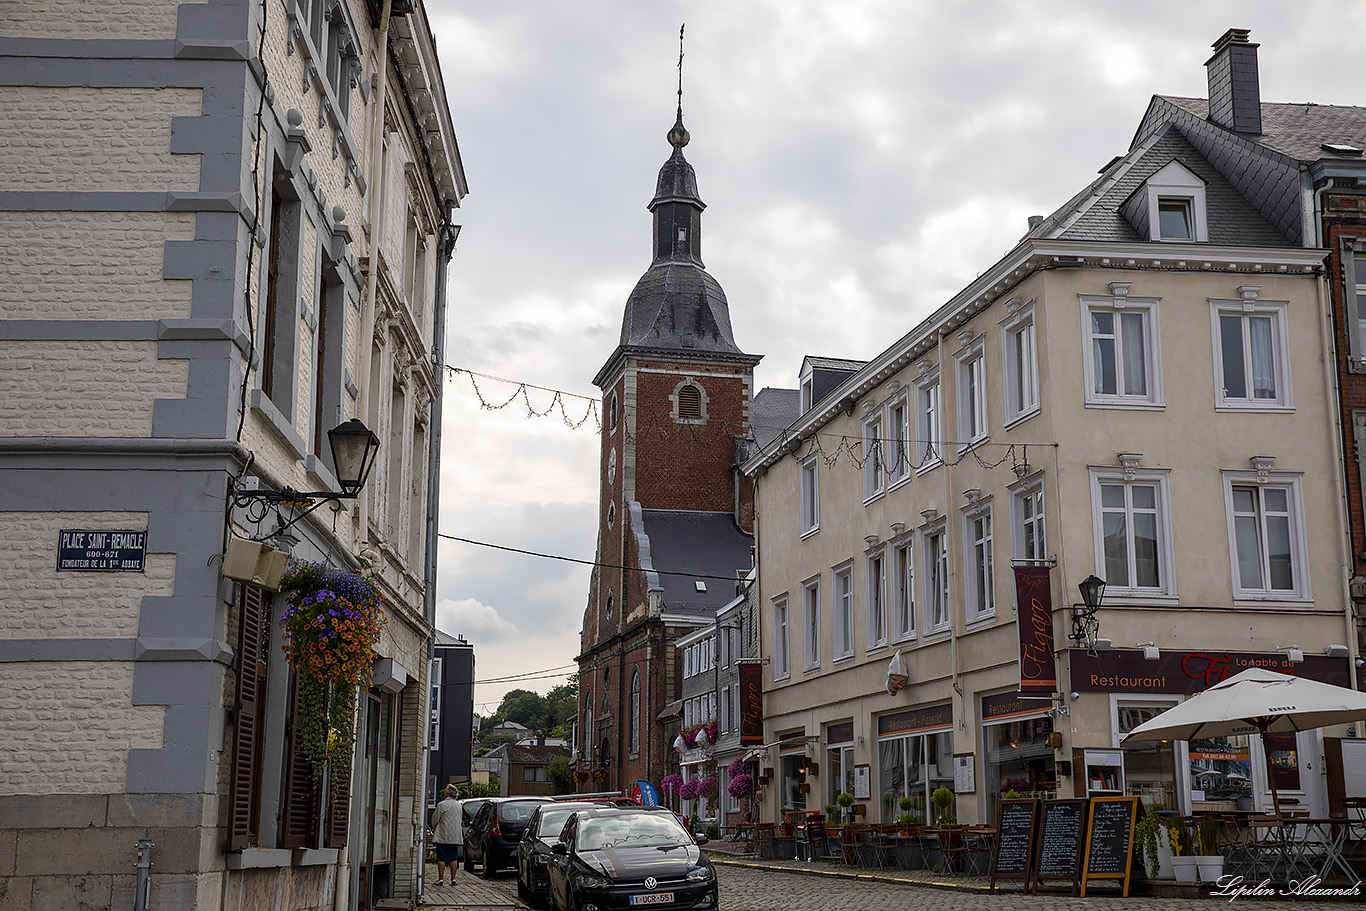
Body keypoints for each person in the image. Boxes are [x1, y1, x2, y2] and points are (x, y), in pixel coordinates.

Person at [429, 785, 464, 887]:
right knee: (453, 858)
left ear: (447, 793)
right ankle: (453, 879)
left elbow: (435, 819)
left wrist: (435, 828)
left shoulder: (442, 805)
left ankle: (441, 879)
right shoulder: (459, 806)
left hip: (443, 835)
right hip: (455, 836)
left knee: (442, 858)